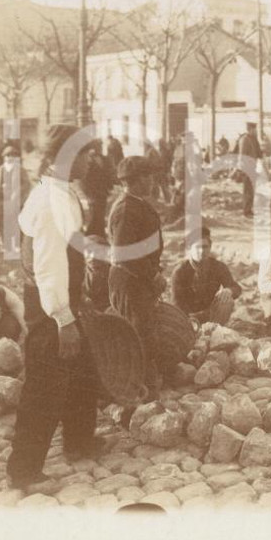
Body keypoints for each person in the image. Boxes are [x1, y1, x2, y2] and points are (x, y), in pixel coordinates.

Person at [7, 123, 102, 490]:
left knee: (82, 372)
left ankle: (79, 441)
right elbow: (48, 266)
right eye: (86, 154)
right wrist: (63, 318)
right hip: (50, 307)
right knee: (44, 386)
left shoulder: (61, 193)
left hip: (65, 298)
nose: (92, 161)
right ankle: (24, 470)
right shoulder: (49, 201)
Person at [107, 156, 168, 387]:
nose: (152, 181)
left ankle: (144, 385)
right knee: (138, 335)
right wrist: (153, 275)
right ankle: (138, 391)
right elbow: (124, 254)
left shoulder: (136, 204)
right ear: (137, 180)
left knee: (144, 333)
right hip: (130, 282)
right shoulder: (126, 209)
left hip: (138, 279)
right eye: (148, 176)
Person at [171, 227, 243, 325]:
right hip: (188, 317)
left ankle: (215, 328)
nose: (202, 251)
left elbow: (236, 288)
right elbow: (177, 304)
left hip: (211, 315)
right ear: (190, 248)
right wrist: (190, 319)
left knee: (227, 301)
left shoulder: (218, 266)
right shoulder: (180, 271)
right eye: (197, 247)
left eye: (205, 247)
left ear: (210, 247)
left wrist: (228, 291)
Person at [0, 144, 33, 255]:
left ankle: (18, 245)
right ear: (4, 157)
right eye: (7, 156)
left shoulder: (20, 169)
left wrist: (18, 191)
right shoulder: (0, 169)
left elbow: (27, 184)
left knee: (16, 223)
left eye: (12, 156)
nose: (9, 158)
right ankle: (7, 245)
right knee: (4, 223)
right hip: (3, 200)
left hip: (16, 200)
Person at [80, 142, 113, 237]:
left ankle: (100, 232)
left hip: (103, 189)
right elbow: (84, 176)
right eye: (99, 145)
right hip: (92, 190)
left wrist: (109, 186)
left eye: (101, 145)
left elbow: (108, 173)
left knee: (101, 211)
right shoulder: (88, 158)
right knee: (94, 212)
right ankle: (92, 233)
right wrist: (87, 191)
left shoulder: (104, 158)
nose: (100, 147)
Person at [234, 122, 262, 217]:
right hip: (247, 168)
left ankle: (249, 209)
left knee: (251, 190)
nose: (256, 131)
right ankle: (246, 211)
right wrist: (241, 169)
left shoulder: (254, 139)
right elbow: (242, 155)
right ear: (250, 129)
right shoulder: (245, 139)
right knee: (247, 191)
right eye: (254, 129)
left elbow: (258, 153)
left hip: (253, 167)